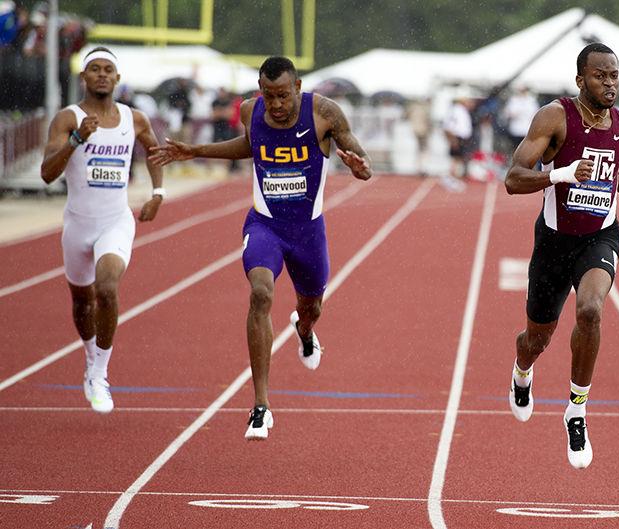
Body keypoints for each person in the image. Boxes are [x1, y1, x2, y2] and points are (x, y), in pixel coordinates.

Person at [148, 56, 372, 441]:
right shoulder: (251, 110)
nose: (277, 104)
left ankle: (304, 331)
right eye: (269, 96)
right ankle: (261, 405)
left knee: (312, 307)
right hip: (265, 224)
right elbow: (249, 146)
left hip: (308, 232)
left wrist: (359, 166)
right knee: (260, 294)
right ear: (259, 90)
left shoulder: (324, 112)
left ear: (298, 88)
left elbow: (358, 157)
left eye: (283, 95)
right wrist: (196, 150)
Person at [504, 43, 619, 469]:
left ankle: (576, 409)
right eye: (600, 75)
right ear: (581, 80)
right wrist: (559, 173)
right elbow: (513, 179)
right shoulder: (554, 117)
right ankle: (522, 371)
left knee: (591, 310)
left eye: (614, 75)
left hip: (600, 236)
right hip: (555, 242)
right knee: (536, 339)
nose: (609, 82)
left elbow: (616, 169)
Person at [40, 47, 165, 413]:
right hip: (78, 225)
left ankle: (99, 373)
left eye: (108, 69)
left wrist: (158, 192)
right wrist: (77, 139)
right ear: (83, 77)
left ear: (117, 78)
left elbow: (154, 151)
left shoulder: (134, 118)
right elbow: (47, 174)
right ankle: (89, 353)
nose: (101, 75)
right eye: (94, 69)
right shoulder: (68, 118)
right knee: (82, 302)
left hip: (115, 221)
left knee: (107, 290)